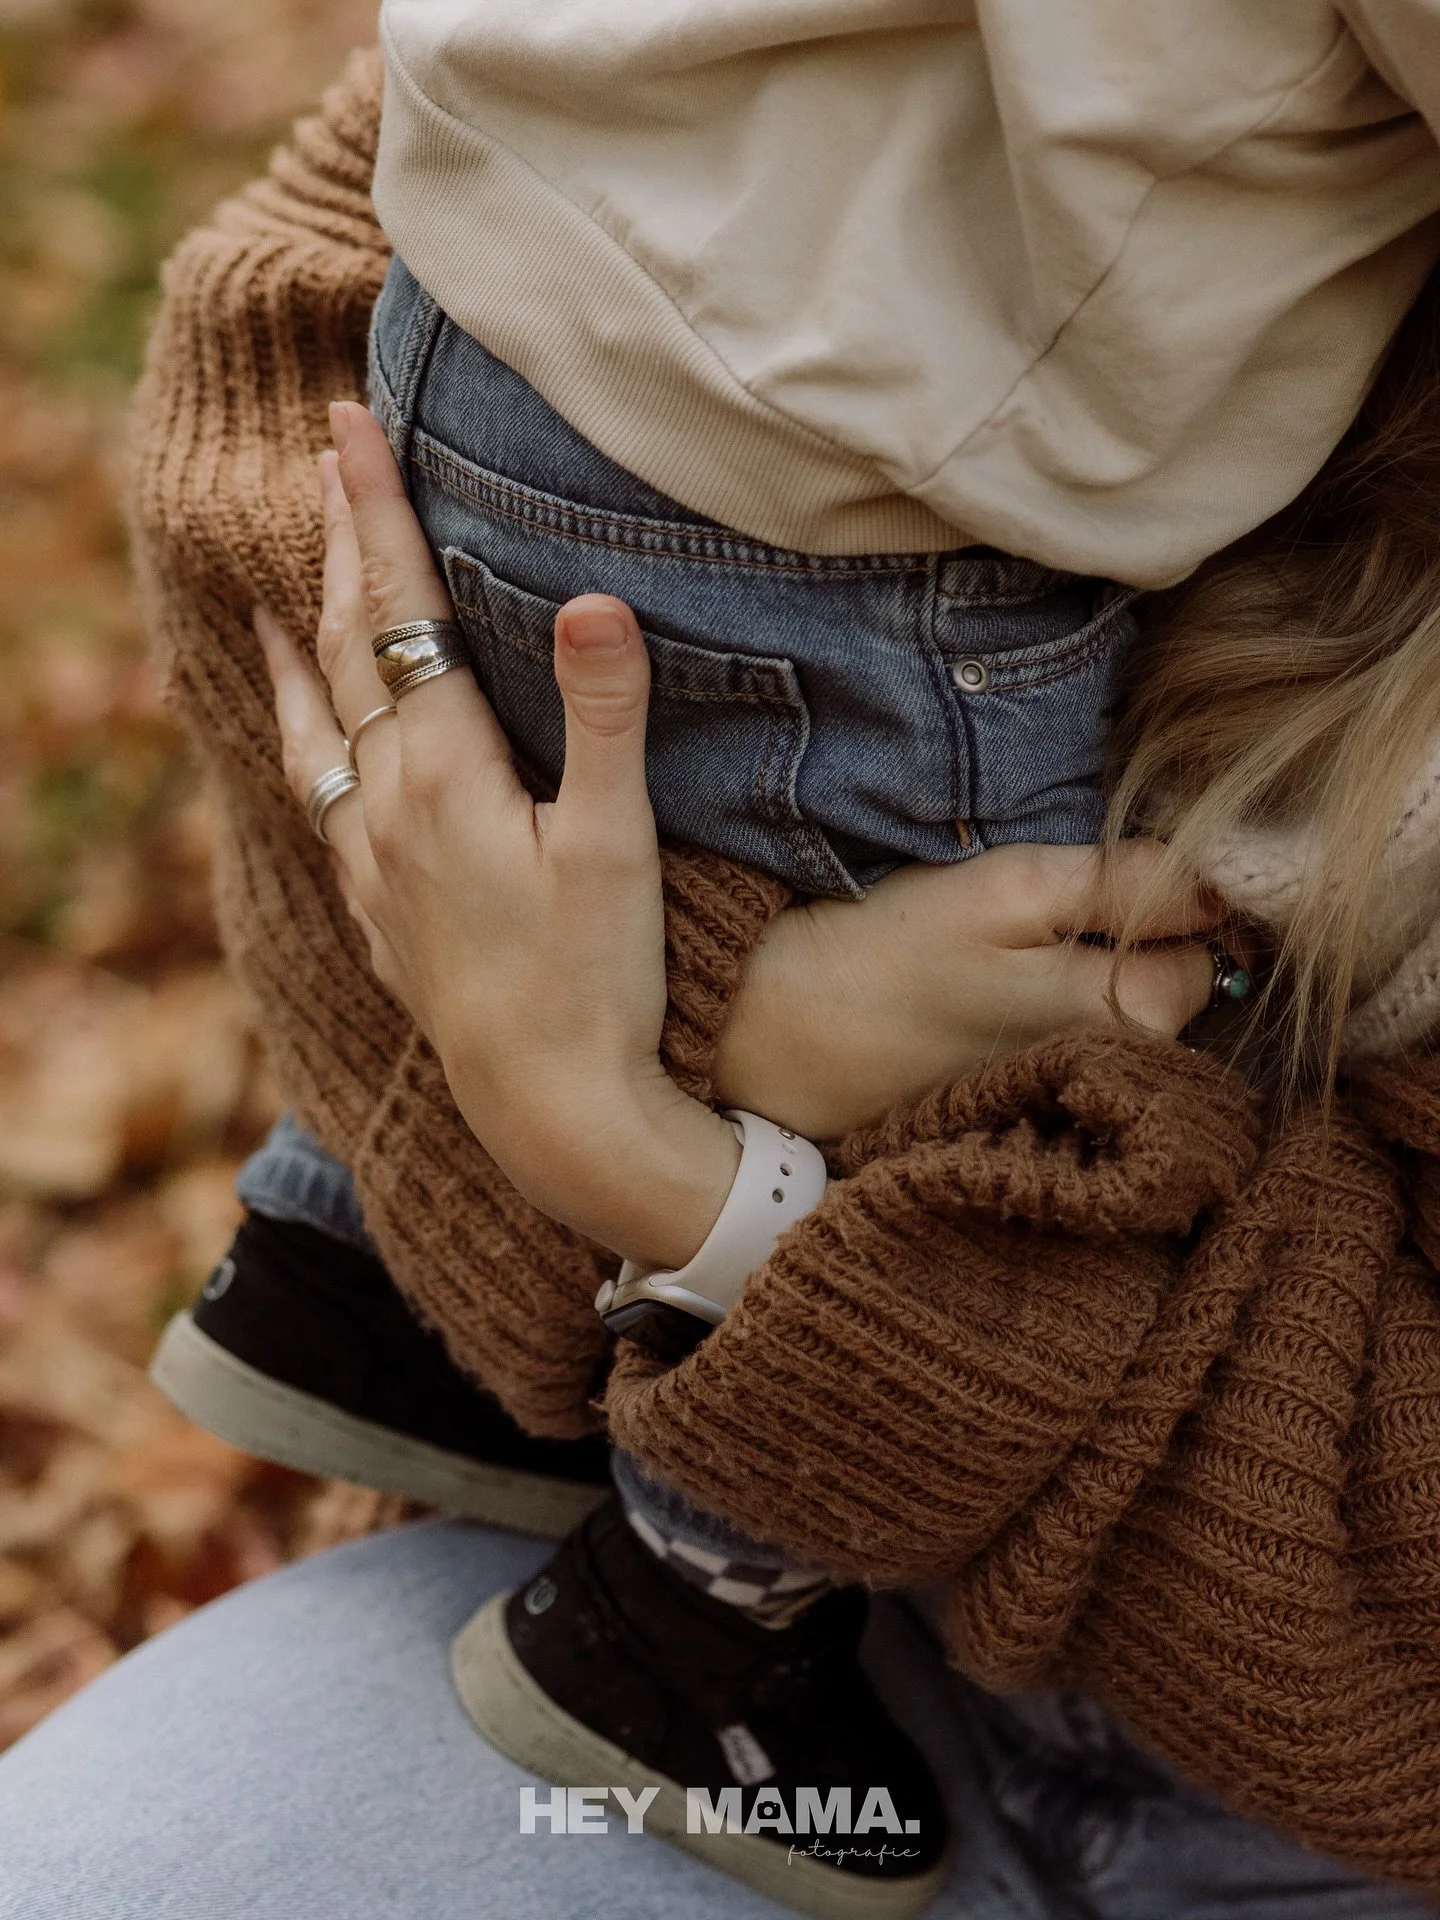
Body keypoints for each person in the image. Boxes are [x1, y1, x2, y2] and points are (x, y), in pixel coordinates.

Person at [16, 5, 1440, 1913]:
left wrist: (676, 1163)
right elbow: (291, 348)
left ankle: (632, 1543)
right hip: (853, 1605)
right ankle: (431, 1345)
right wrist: (723, 996)